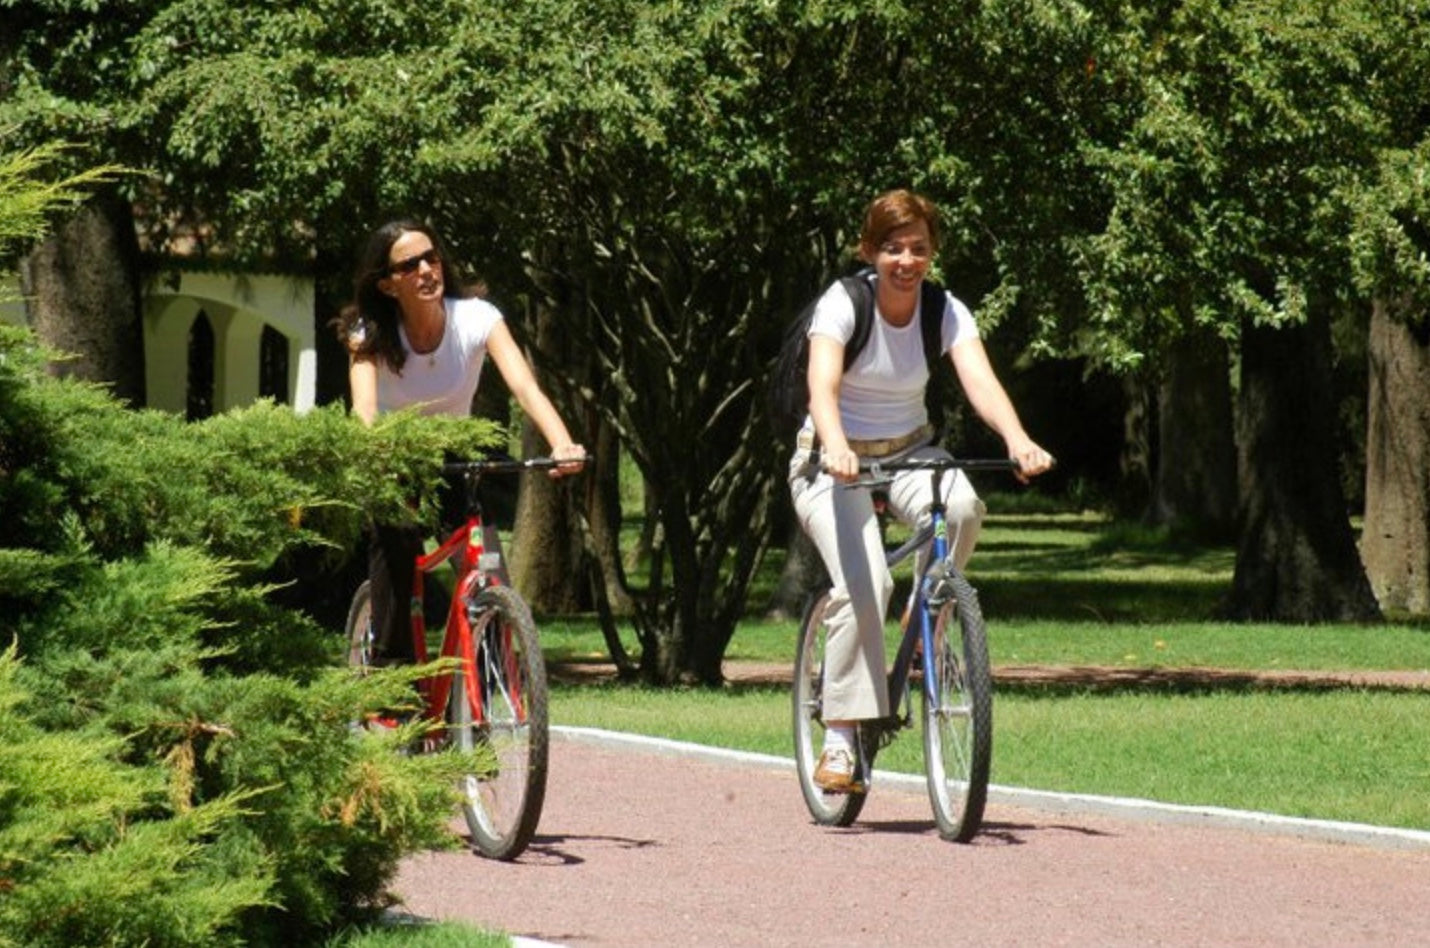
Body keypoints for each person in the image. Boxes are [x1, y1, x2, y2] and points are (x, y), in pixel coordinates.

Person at [789, 189, 1054, 793]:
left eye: (918, 249)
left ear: (932, 254)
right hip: (830, 461)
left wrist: (1017, 438)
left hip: (911, 450)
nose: (906, 262)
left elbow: (979, 380)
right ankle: (840, 737)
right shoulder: (844, 302)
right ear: (868, 251)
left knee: (961, 508)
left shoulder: (945, 310)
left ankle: (926, 614)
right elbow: (821, 386)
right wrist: (834, 444)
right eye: (892, 249)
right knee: (866, 585)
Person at [337, 218, 586, 664]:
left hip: (457, 457)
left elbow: (526, 388)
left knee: (488, 572)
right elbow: (365, 412)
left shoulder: (477, 318)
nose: (427, 270)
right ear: (389, 284)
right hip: (396, 460)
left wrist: (561, 442)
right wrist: (376, 458)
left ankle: (494, 691)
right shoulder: (368, 334)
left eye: (431, 258)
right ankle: (395, 684)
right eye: (410, 265)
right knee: (395, 550)